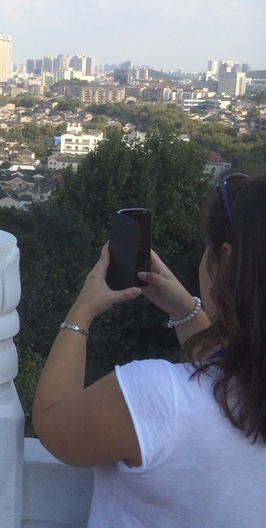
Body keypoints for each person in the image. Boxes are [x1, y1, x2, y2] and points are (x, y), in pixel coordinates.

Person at [32, 171, 266, 526]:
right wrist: (185, 311)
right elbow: (228, 373)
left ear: (226, 258)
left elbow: (52, 423)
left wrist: (82, 311)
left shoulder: (157, 398)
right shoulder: (250, 387)